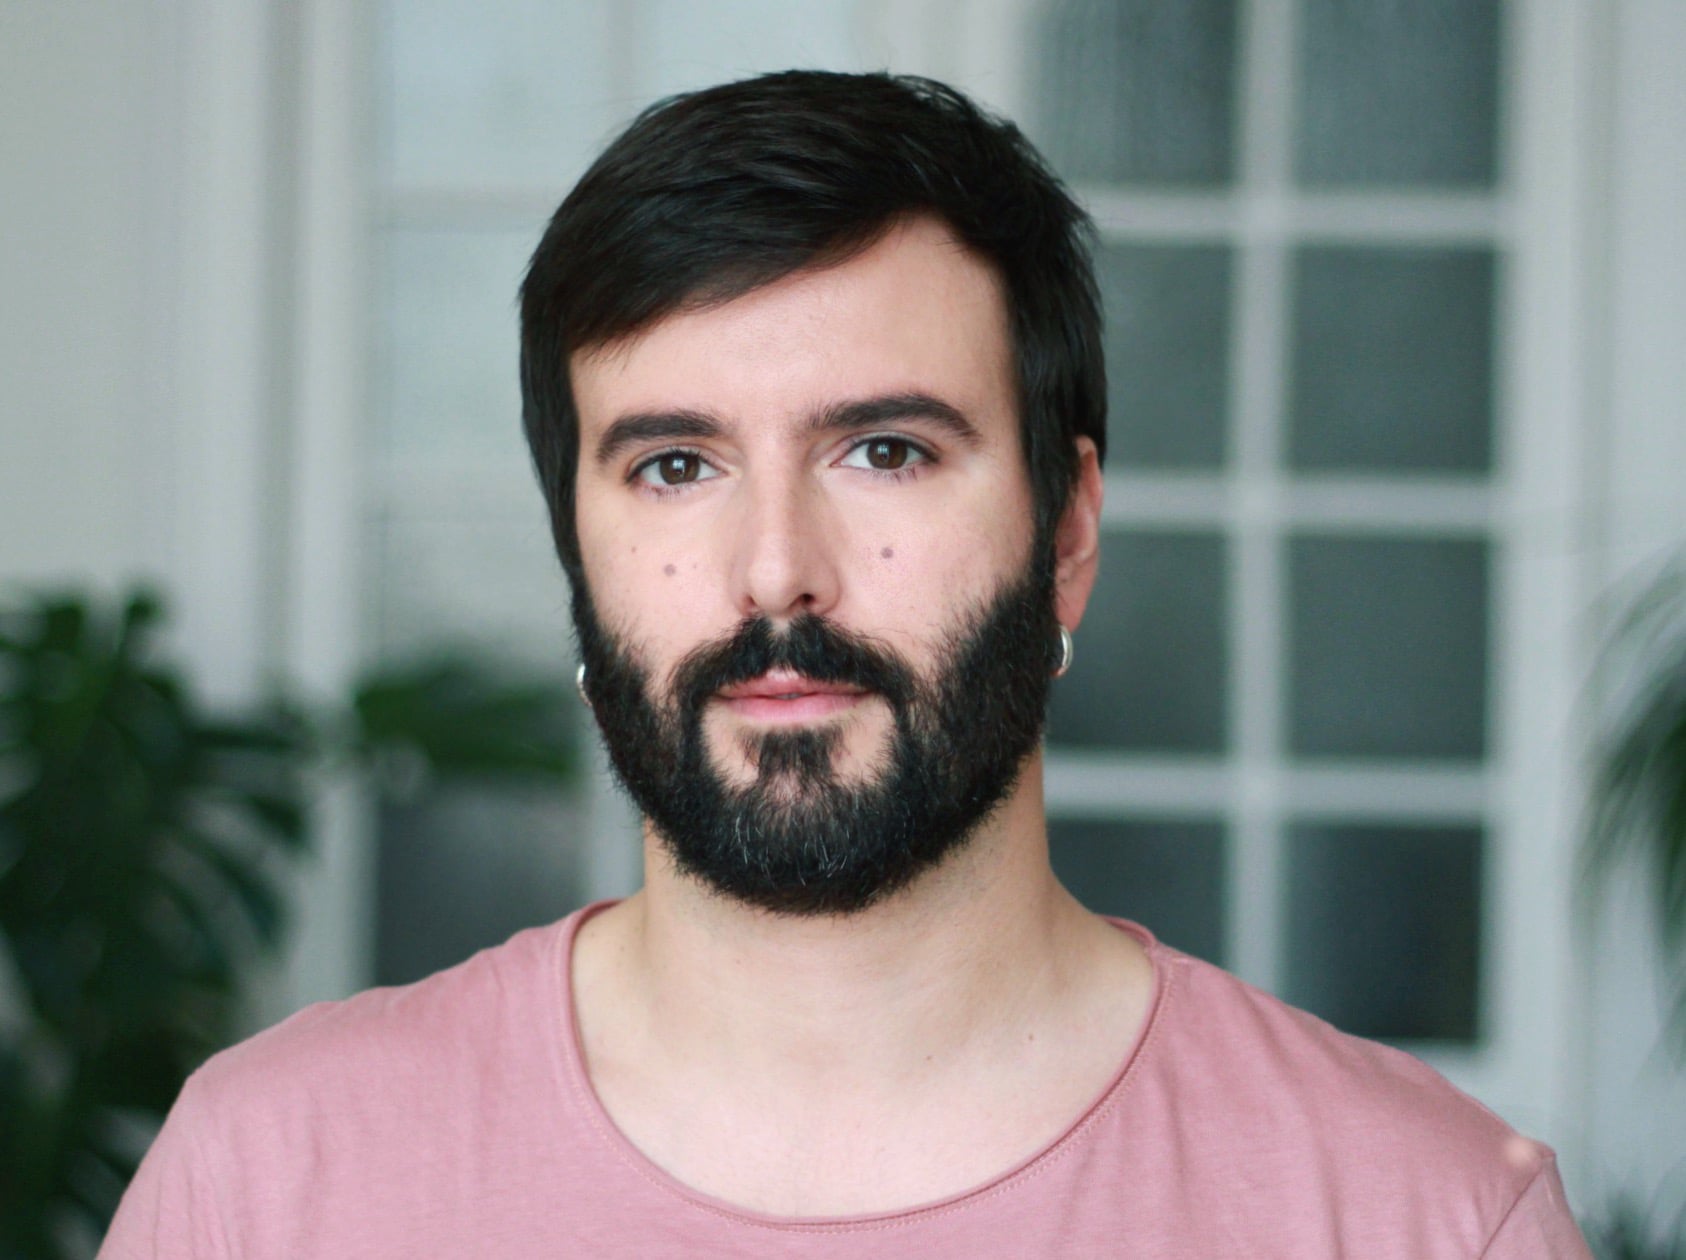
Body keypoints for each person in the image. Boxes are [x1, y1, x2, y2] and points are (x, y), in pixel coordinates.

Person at [101, 70, 1590, 1257]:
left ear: (1067, 530)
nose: (775, 571)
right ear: (577, 550)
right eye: (675, 466)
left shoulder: (1425, 1217)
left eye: (883, 451)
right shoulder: (267, 1185)